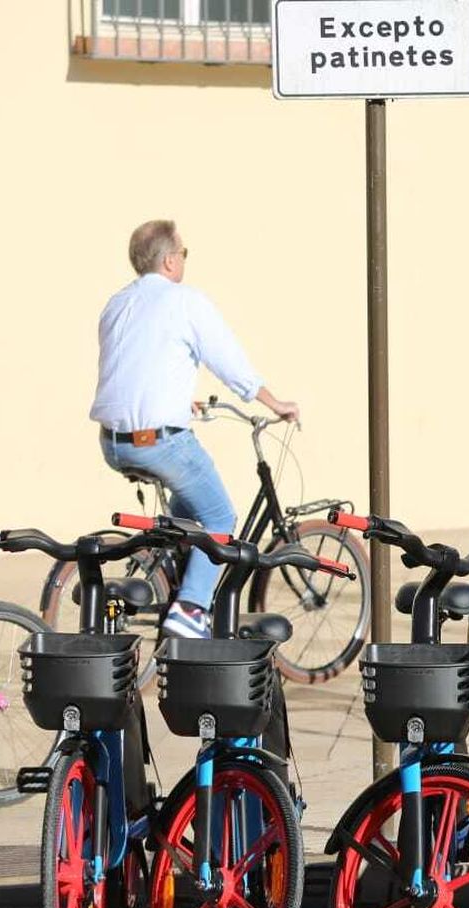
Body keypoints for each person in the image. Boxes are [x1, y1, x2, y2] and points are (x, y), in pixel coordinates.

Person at [90, 219, 302, 639]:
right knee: (220, 516)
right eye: (184, 253)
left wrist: (173, 400)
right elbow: (229, 362)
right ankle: (190, 610)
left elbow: (133, 364)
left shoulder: (117, 303)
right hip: (158, 443)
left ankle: (162, 572)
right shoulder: (185, 302)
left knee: (185, 521)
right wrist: (275, 403)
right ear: (170, 260)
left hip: (114, 442)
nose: (184, 260)